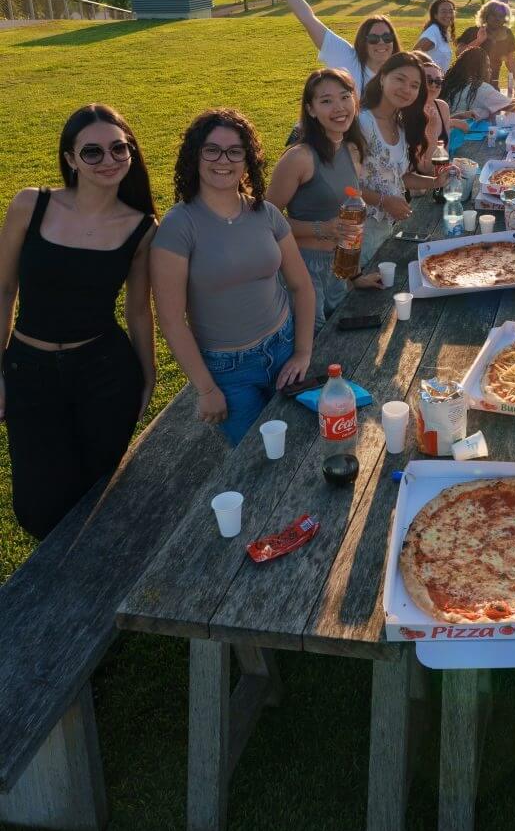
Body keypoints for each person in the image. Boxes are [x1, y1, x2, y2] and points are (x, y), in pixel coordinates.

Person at [0, 105, 157, 539]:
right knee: (39, 504)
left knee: (98, 494)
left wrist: (149, 375)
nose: (108, 161)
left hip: (104, 372)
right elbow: (3, 290)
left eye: (118, 149)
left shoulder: (142, 227)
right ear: (70, 159)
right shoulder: (30, 205)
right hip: (29, 371)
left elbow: (138, 310)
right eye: (92, 152)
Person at [151, 109, 315, 447]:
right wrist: (207, 389)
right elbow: (170, 320)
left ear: (247, 159)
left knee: (300, 445)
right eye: (211, 149)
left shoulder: (265, 213)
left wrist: (302, 352)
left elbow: (301, 286)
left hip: (284, 349)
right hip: (229, 372)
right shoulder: (179, 225)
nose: (223, 160)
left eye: (234, 151)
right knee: (254, 458)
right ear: (194, 156)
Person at [266, 70, 383, 334]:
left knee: (337, 338)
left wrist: (355, 276)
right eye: (326, 101)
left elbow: (346, 219)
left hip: (339, 266)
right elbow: (264, 221)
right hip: (303, 266)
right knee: (311, 341)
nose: (339, 108)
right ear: (310, 109)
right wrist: (322, 228)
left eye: (345, 97)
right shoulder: (300, 157)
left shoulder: (350, 148)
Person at [245, 0, 399, 92]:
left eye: (387, 37)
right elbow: (307, 18)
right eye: (373, 38)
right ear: (363, 41)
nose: (381, 43)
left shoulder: (402, 72)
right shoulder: (348, 58)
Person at [358, 52, 435, 260]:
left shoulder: (401, 125)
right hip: (355, 233)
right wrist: (384, 201)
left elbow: (399, 176)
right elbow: (343, 185)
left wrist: (438, 182)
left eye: (414, 85)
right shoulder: (362, 123)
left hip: (386, 231)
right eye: (400, 79)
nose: (406, 89)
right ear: (382, 78)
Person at [457, 0, 515, 91]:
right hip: (468, 86)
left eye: (501, 16)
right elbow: (459, 53)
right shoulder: (472, 31)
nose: (497, 18)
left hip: (492, 87)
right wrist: (479, 40)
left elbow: (511, 62)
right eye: (493, 15)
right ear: (485, 16)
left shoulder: (507, 34)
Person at [440, 47, 512, 121]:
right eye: (487, 66)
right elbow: (511, 106)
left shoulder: (449, 85)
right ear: (477, 69)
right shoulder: (480, 88)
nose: (490, 70)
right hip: (465, 131)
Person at [413, 0, 456, 74]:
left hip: (438, 82)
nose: (448, 15)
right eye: (443, 11)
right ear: (435, 15)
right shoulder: (433, 32)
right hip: (429, 82)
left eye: (451, 11)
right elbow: (414, 56)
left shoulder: (443, 32)